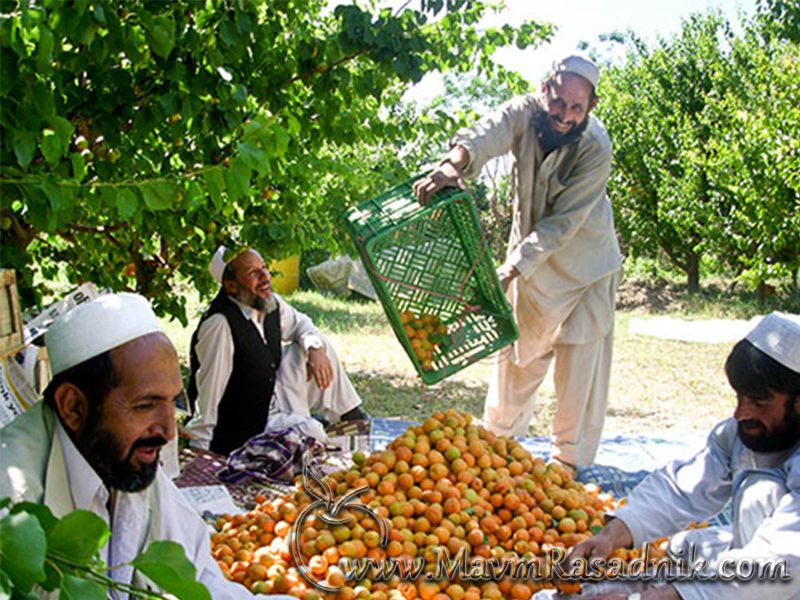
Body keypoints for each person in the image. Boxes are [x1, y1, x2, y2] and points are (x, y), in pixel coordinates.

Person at [0, 293, 286, 599]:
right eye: (146, 405)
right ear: (73, 407)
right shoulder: (13, 501)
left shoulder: (124, 459)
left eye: (172, 402)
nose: (168, 431)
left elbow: (200, 581)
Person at [414, 55, 621, 469]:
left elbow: (563, 225)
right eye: (559, 102)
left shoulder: (595, 148)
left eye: (576, 108)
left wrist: (511, 267)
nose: (564, 116)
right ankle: (498, 444)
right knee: (517, 354)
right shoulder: (525, 113)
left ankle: (568, 463)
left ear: (591, 107)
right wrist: (452, 164)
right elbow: (486, 133)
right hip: (529, 263)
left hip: (585, 268)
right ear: (546, 89)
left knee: (580, 366)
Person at [567, 312, 800, 600]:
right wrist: (611, 535)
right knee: (684, 548)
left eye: (759, 402)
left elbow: (782, 560)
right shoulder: (738, 434)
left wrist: (669, 596)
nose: (741, 414)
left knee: (760, 493)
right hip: (754, 567)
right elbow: (680, 491)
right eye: (739, 398)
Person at [185, 246, 367, 455]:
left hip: (272, 397)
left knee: (315, 344)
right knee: (312, 434)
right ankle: (306, 424)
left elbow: (301, 324)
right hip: (243, 426)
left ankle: (351, 416)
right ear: (231, 286)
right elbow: (209, 389)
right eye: (253, 274)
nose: (265, 278)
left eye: (264, 268)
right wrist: (201, 446)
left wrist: (315, 349)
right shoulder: (220, 325)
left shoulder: (269, 302)